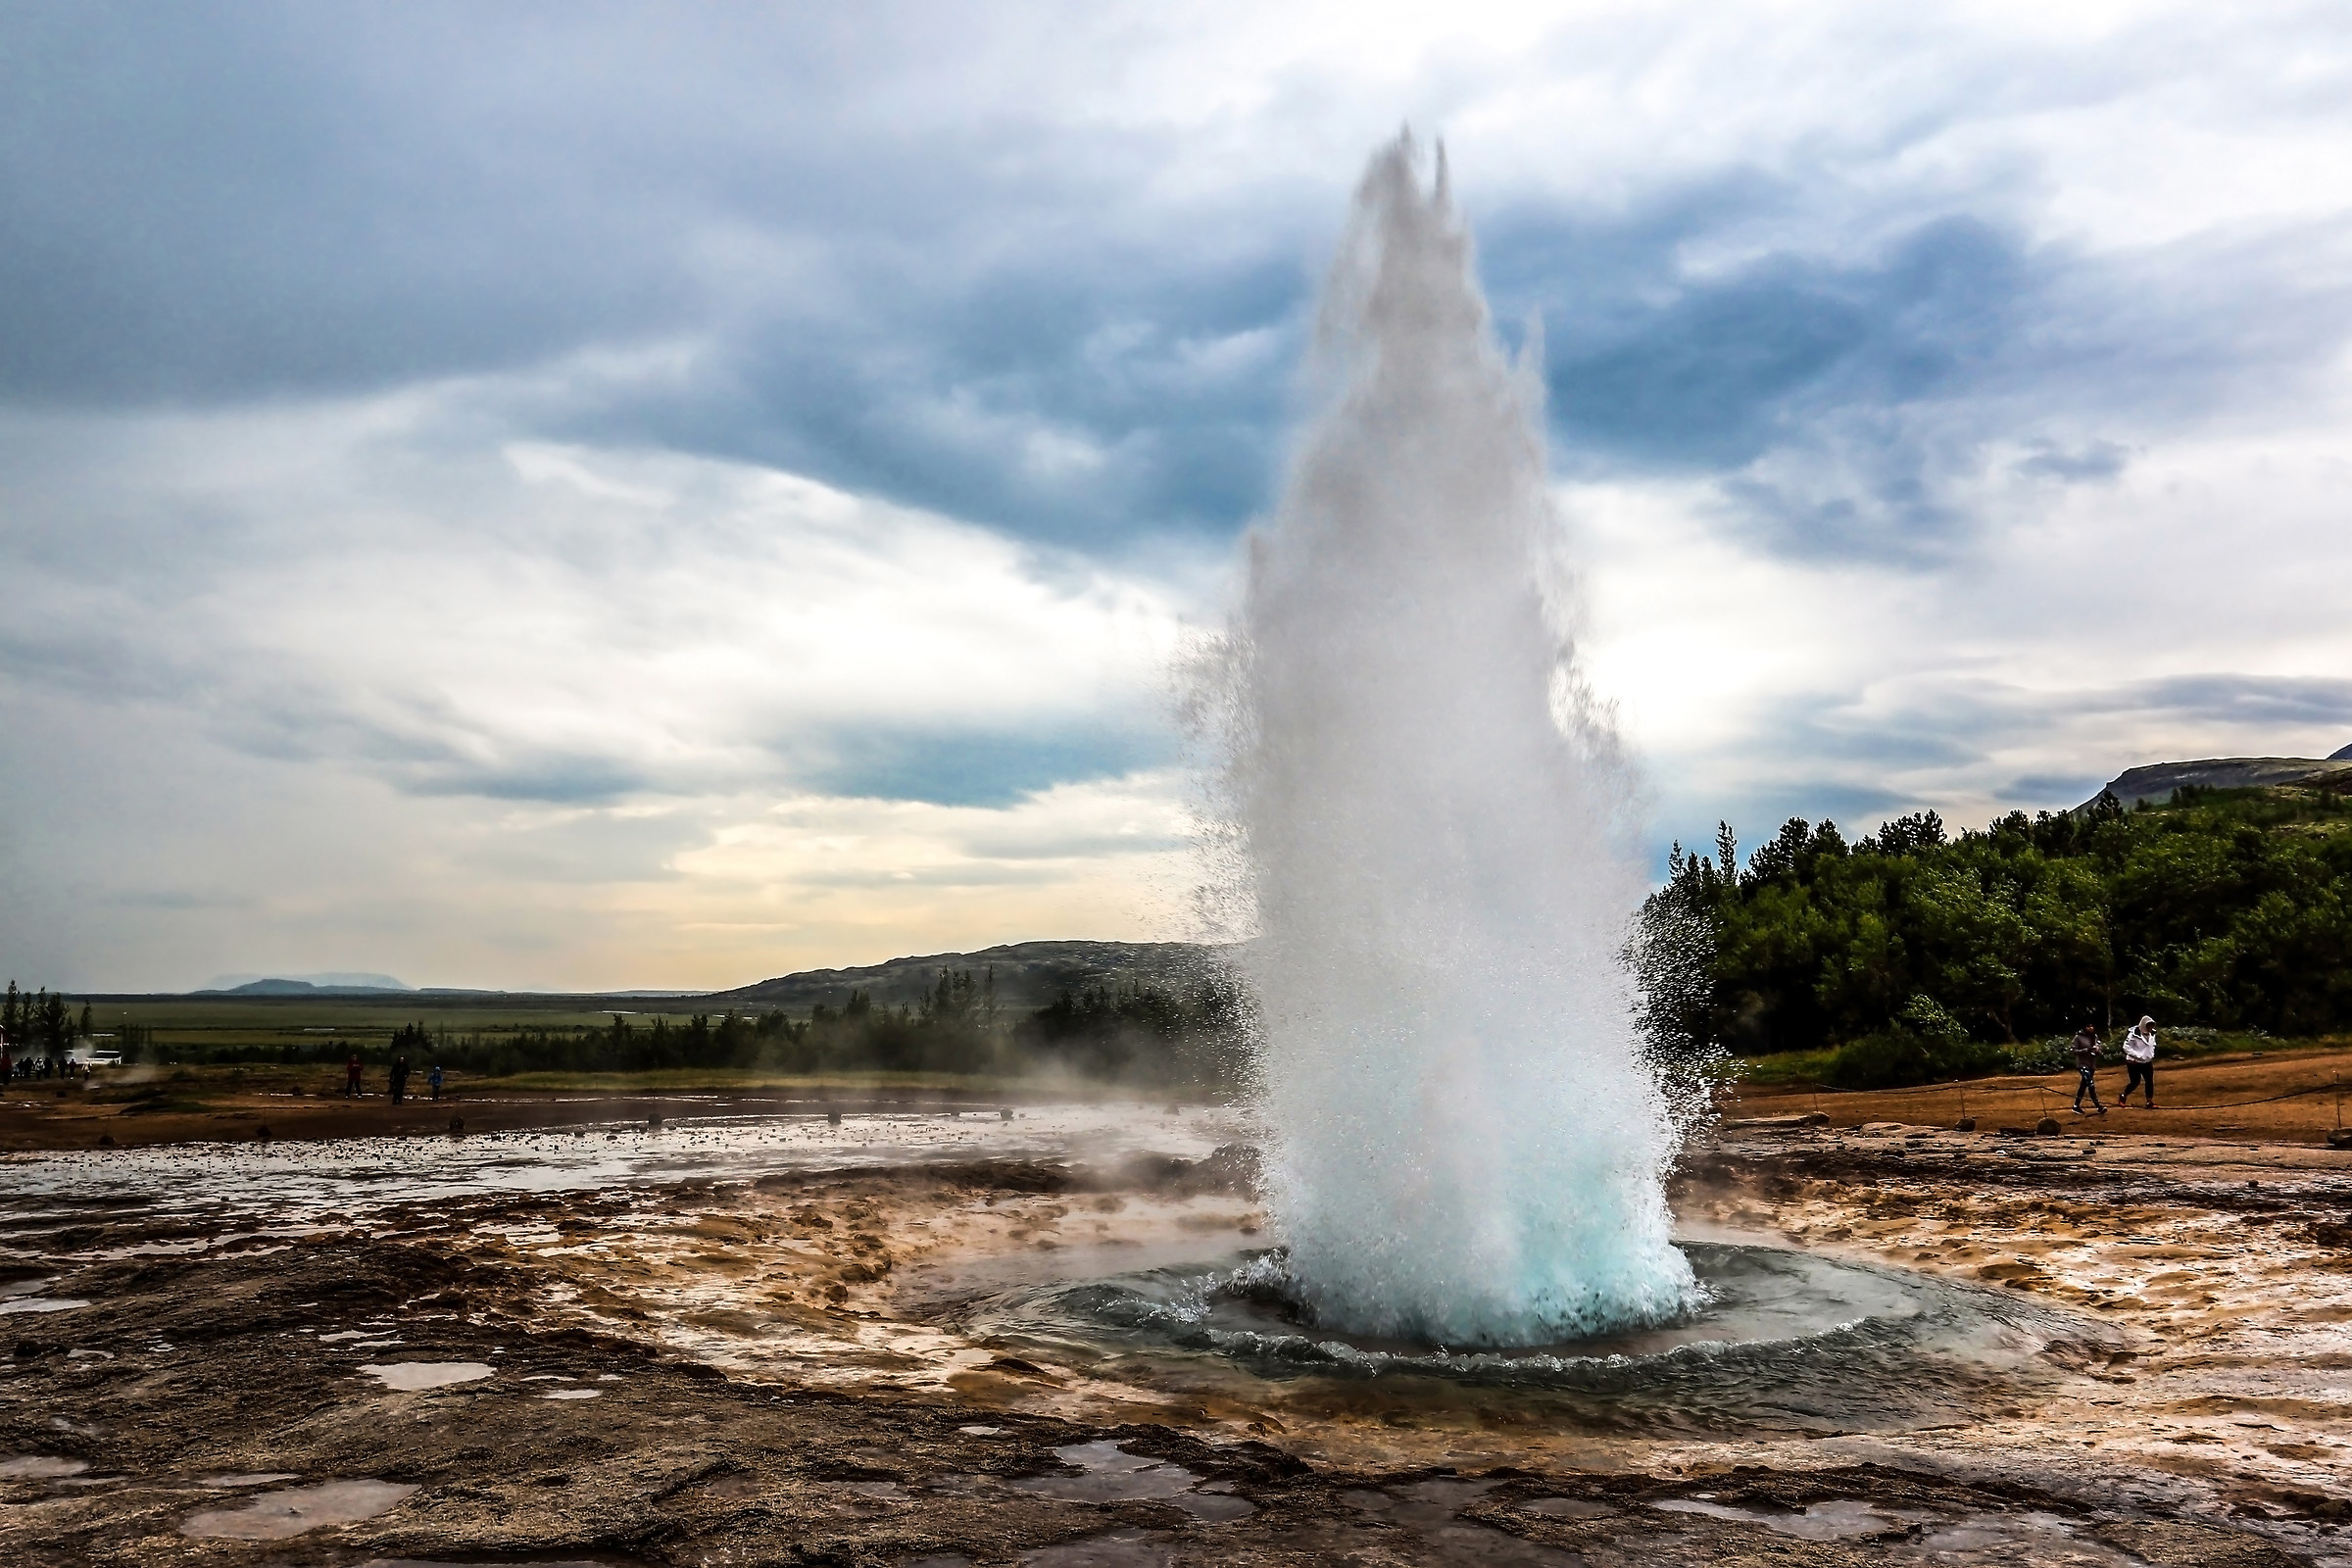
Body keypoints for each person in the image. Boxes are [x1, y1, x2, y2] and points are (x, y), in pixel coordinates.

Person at [2122, 1015, 2158, 1107]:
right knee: (2135, 1082)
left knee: (2149, 1081)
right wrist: (2137, 1055)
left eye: (2152, 1026)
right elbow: (2126, 1047)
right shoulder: (2133, 1034)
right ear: (2143, 1025)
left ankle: (2149, 1101)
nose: (2151, 1028)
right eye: (2149, 1026)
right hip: (2134, 1062)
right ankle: (2123, 1095)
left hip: (2147, 1061)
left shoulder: (2152, 1034)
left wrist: (2151, 1054)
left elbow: (2152, 1045)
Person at [2071, 1023, 2107, 1115]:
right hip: (2082, 1064)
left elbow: (2099, 1050)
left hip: (2092, 1064)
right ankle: (2098, 1106)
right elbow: (2074, 1051)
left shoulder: (2094, 1037)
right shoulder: (2078, 1037)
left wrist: (2097, 1051)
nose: (2091, 1028)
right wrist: (2087, 1050)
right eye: (2088, 1026)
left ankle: (2076, 1106)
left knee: (2083, 1085)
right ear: (2084, 1027)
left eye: (2092, 1026)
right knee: (2090, 1084)